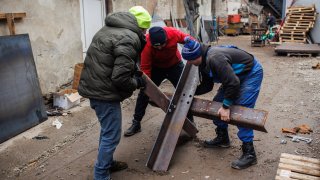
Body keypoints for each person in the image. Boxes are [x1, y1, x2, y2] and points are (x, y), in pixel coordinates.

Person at [78, 6, 151, 180]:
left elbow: (114, 60)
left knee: (107, 131)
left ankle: (107, 163)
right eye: (145, 29)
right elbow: (120, 78)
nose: (146, 33)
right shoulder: (129, 38)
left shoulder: (109, 28)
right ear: (140, 27)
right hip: (104, 93)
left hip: (95, 87)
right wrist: (137, 82)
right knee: (111, 135)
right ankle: (101, 174)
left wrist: (134, 70)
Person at [181, 38, 263, 170]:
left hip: (250, 74)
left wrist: (226, 107)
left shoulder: (214, 58)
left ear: (197, 55)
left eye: (190, 59)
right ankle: (223, 138)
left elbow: (233, 83)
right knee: (215, 106)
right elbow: (207, 86)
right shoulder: (202, 62)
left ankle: (249, 153)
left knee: (241, 111)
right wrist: (188, 93)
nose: (189, 63)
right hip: (234, 77)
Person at [124, 26, 194, 137]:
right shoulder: (146, 44)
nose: (160, 48)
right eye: (157, 46)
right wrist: (146, 85)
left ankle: (190, 121)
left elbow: (188, 39)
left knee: (184, 91)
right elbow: (145, 67)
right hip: (156, 68)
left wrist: (191, 43)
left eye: (163, 44)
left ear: (166, 38)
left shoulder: (173, 33)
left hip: (174, 65)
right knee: (144, 92)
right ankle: (136, 123)